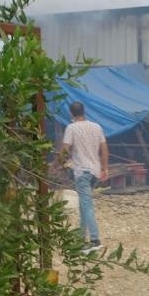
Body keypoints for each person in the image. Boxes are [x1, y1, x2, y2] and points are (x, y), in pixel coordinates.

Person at [60, 101, 108, 254]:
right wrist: (104, 168)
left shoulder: (71, 128)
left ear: (71, 113)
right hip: (94, 171)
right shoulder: (96, 127)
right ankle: (81, 239)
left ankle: (95, 240)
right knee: (83, 205)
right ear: (84, 111)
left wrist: (56, 164)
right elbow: (104, 149)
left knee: (86, 205)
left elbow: (65, 151)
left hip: (82, 172)